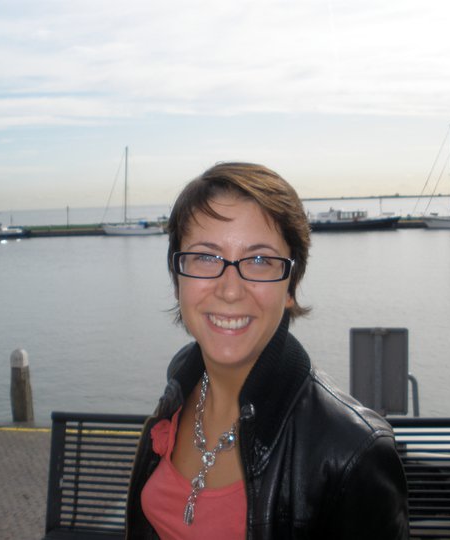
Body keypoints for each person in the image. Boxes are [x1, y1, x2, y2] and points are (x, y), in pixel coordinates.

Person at [126, 163, 408, 539]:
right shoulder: (181, 381)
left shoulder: (353, 452)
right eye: (206, 257)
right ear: (178, 279)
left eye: (260, 260)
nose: (230, 290)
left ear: (290, 286)